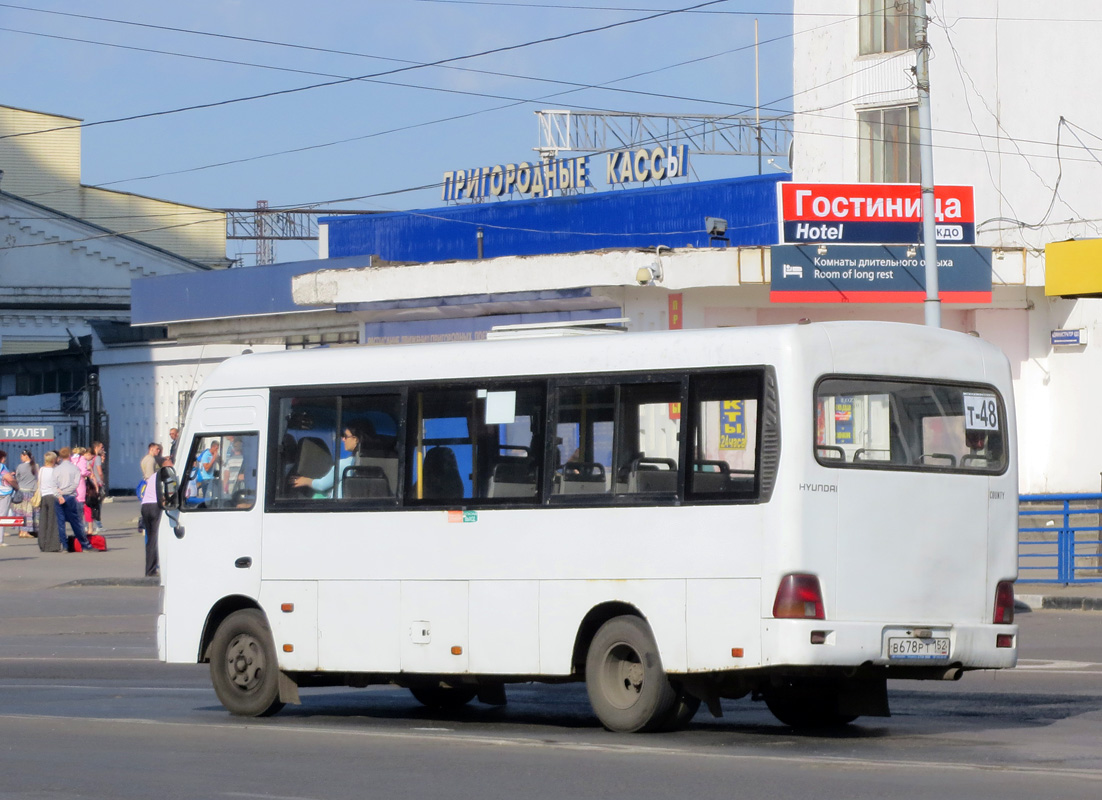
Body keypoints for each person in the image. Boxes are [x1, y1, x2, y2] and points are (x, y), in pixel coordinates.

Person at [292, 424, 365, 499]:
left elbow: (322, 485)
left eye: (346, 436)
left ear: (356, 440)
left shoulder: (346, 464)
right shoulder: (375, 465)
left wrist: (305, 480)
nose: (343, 439)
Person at [54, 447, 94, 553]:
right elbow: (76, 484)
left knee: (61, 522)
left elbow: (53, 485)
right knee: (76, 522)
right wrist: (66, 492)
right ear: (69, 455)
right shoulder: (74, 468)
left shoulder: (57, 469)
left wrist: (59, 494)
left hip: (59, 497)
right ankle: (85, 545)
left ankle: (65, 545)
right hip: (70, 496)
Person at [141, 454, 171, 577]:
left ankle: (150, 569)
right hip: (155, 506)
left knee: (150, 539)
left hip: (145, 505)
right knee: (156, 538)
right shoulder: (166, 474)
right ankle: (152, 570)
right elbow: (168, 492)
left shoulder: (154, 475)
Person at [36, 452, 63, 553]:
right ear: (53, 460)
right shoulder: (54, 471)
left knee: (43, 520)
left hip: (44, 496)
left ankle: (42, 543)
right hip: (53, 496)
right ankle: (53, 545)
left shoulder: (41, 470)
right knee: (53, 521)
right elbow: (57, 485)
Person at [14, 450, 39, 539]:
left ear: (26, 456)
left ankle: (21, 531)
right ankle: (26, 531)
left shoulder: (20, 466)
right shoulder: (35, 466)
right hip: (31, 492)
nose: (21, 458)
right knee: (29, 513)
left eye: (22, 456)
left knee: (21, 513)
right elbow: (37, 478)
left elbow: (17, 478)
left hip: (21, 491)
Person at [0, 450, 16, 546]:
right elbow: (9, 479)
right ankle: (0, 540)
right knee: (2, 516)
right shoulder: (2, 467)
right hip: (4, 493)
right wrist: (17, 486)